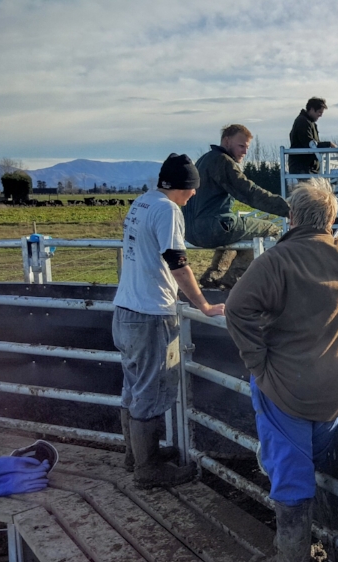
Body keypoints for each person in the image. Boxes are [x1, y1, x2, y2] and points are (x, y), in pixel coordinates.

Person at [224, 178, 338, 562]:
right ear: (332, 219)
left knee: (291, 477)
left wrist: (257, 362)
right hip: (333, 390)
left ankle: (292, 554)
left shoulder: (275, 262)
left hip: (285, 388)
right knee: (313, 458)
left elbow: (237, 307)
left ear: (291, 218)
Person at [113, 154, 226, 490]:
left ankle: (135, 456)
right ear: (182, 186)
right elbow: (177, 262)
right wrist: (203, 304)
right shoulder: (167, 210)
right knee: (151, 389)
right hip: (151, 314)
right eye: (192, 190)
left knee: (133, 387)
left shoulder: (142, 203)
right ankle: (148, 471)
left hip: (125, 311)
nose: (193, 196)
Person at [182, 124, 291, 291]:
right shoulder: (223, 162)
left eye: (247, 147)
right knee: (271, 229)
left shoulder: (204, 159)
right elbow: (249, 192)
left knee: (237, 228)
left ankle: (214, 274)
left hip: (189, 230)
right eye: (241, 146)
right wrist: (288, 209)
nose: (245, 152)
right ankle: (234, 277)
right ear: (226, 141)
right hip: (211, 228)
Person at [288, 97, 337, 176]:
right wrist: (328, 144)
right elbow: (309, 143)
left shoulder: (307, 122)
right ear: (311, 109)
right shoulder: (303, 122)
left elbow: (312, 144)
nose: (320, 115)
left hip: (305, 168)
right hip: (303, 168)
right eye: (319, 112)